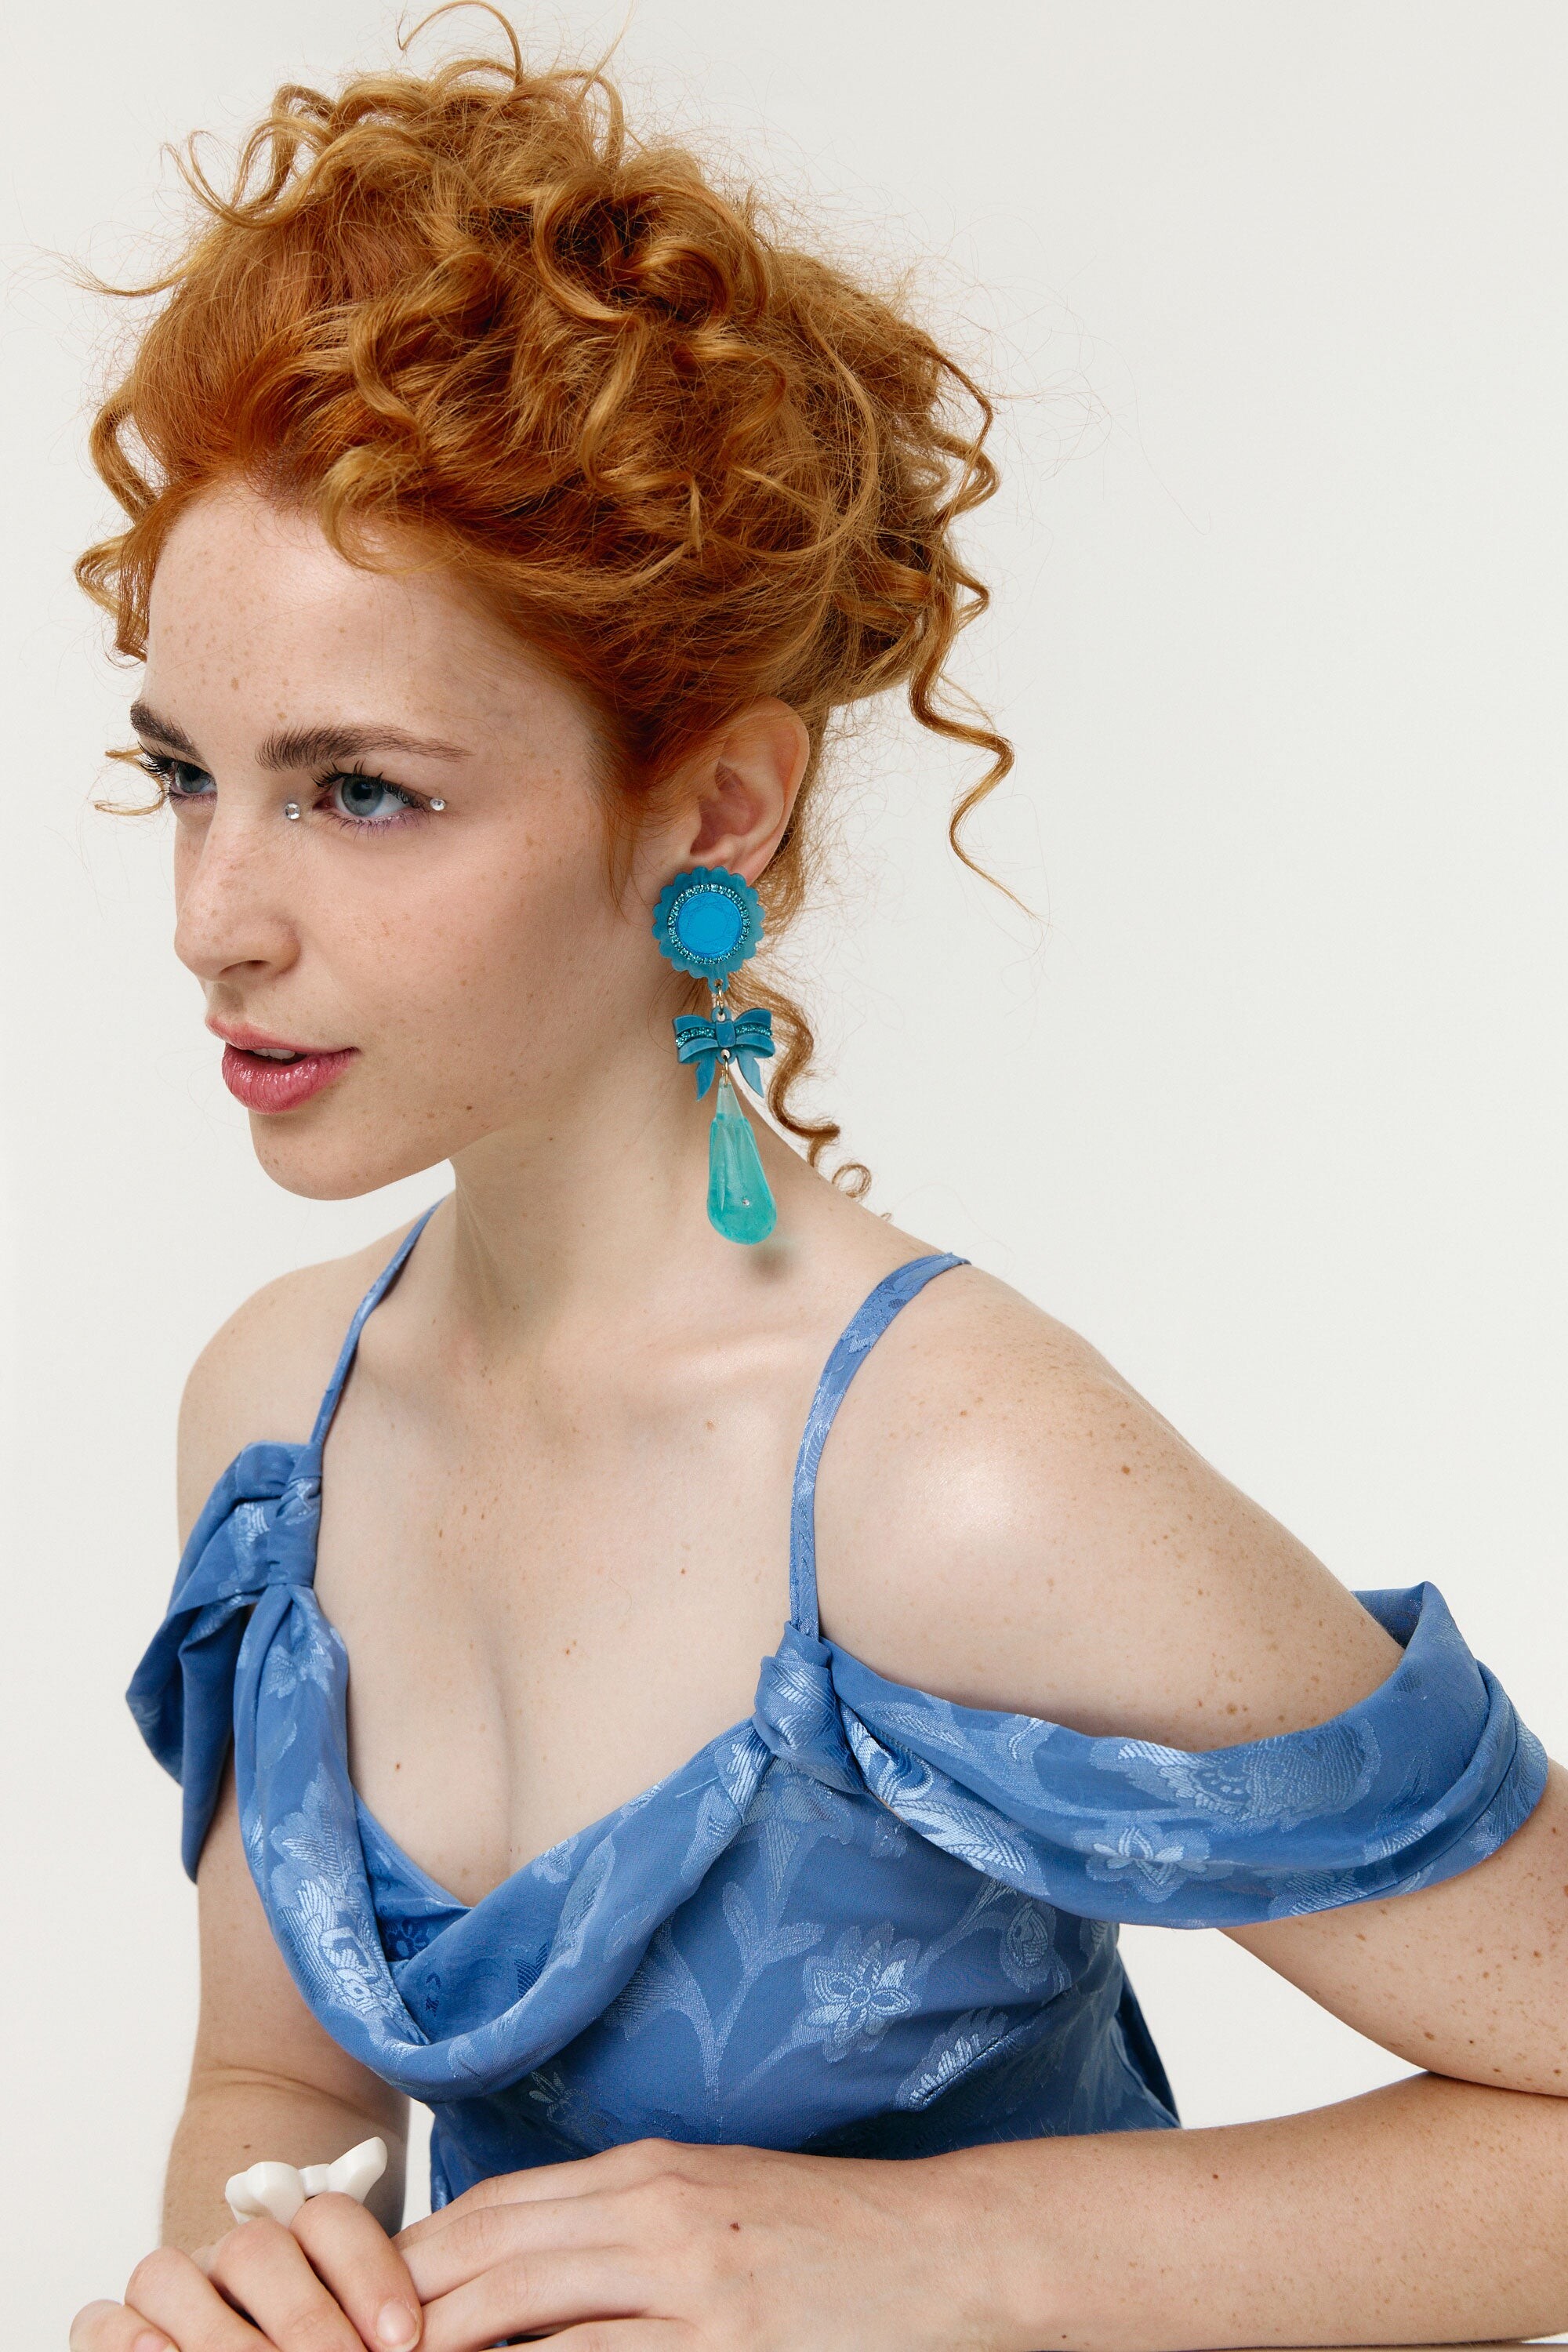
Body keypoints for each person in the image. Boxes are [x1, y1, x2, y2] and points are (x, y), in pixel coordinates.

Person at [68, 24, 1567, 2352]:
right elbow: (280, 2092)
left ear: (714, 810)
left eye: (360, 792)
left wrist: (936, 2256)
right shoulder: (277, 1425)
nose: (213, 920)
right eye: (186, 772)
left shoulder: (953, 1475)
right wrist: (255, 2281)